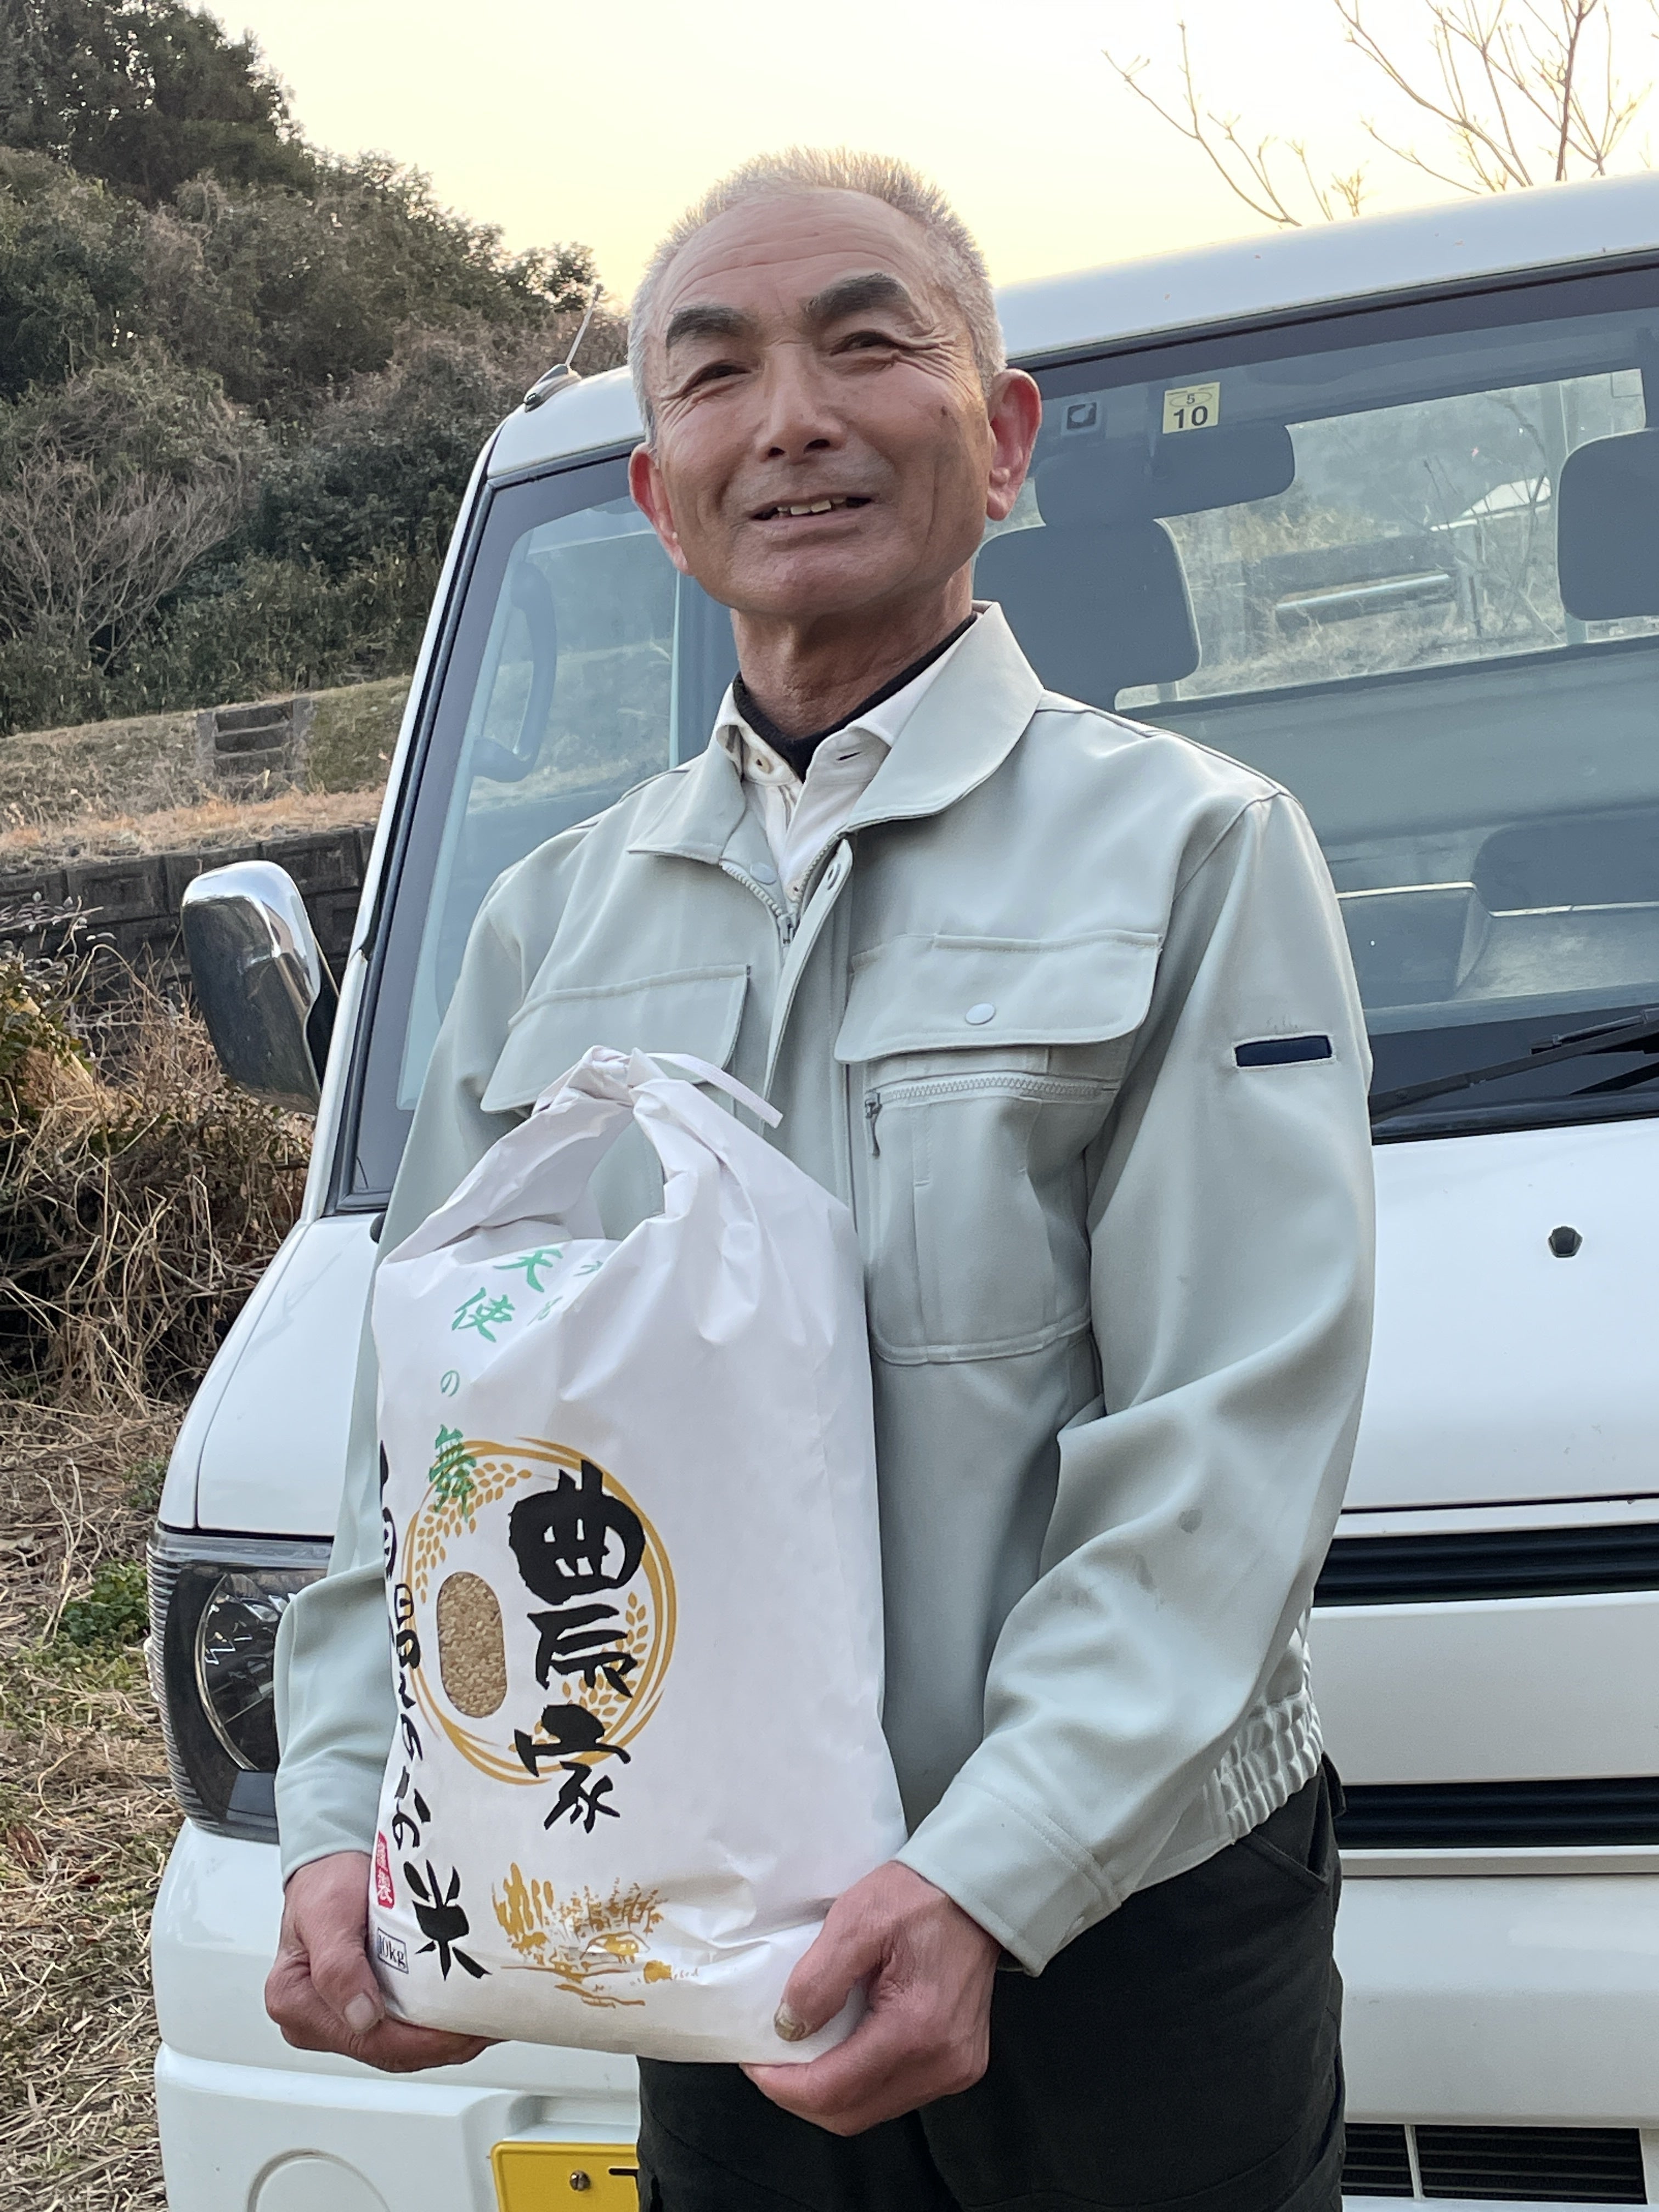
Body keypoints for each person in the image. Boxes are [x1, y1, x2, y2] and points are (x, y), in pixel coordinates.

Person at [267, 148, 1376, 2212]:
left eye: (869, 346)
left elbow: (1227, 1440)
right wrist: (350, 1812)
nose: (792, 419)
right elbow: (419, 1449)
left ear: (1004, 436)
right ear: (658, 492)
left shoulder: (1196, 854)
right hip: (696, 1908)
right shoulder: (544, 927)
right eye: (717, 373)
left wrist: (990, 1872)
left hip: (1121, 1919)